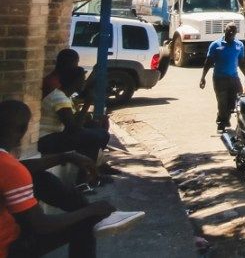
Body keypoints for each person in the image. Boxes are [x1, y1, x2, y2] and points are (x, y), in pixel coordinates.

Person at [1, 100, 143, 258]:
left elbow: (22, 168)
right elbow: (41, 225)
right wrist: (91, 211)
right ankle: (100, 216)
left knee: (39, 177)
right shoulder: (12, 170)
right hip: (9, 247)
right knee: (87, 222)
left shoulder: (9, 167)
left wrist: (65, 156)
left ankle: (93, 212)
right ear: (22, 130)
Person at [38, 67, 110, 168]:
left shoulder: (63, 96)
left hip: (53, 135)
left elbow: (74, 121)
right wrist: (87, 105)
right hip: (46, 139)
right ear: (76, 82)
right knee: (100, 135)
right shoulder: (60, 98)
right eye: (82, 80)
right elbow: (74, 129)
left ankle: (93, 168)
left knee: (94, 127)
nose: (84, 83)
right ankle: (90, 172)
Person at [199, 23, 245, 132]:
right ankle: (221, 123)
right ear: (224, 30)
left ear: (236, 33)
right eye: (229, 30)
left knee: (238, 101)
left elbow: (241, 62)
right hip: (219, 79)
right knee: (222, 103)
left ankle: (231, 120)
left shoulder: (239, 45)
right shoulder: (215, 45)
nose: (231, 32)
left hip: (234, 78)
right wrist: (203, 77)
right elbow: (208, 62)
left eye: (234, 31)